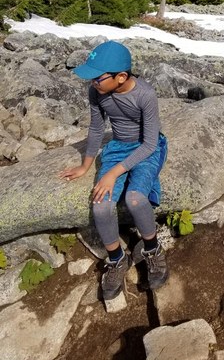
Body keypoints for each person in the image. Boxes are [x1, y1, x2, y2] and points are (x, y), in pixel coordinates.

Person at [61, 40, 168, 300]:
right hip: (118, 147)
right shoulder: (96, 93)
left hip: (146, 148)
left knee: (135, 197)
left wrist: (113, 173)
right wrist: (86, 165)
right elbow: (97, 128)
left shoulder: (145, 95)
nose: (93, 83)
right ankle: (117, 259)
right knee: (100, 204)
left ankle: (153, 249)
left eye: (97, 78)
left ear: (121, 77)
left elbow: (151, 142)